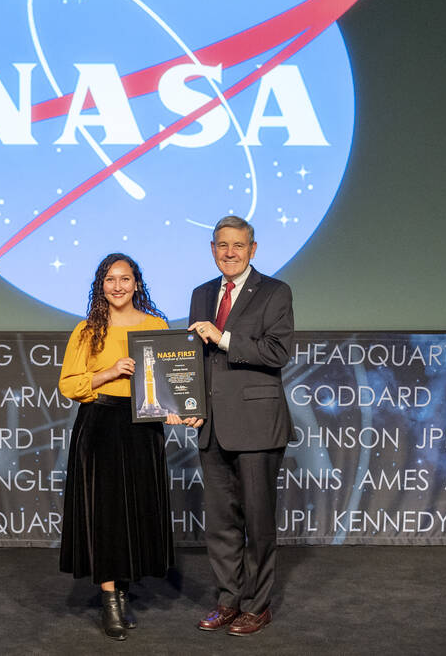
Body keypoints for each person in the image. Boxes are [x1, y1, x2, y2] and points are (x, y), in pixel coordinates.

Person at [59, 252, 180, 641]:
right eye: (110, 279)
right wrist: (109, 372)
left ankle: (124, 589)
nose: (118, 286)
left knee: (137, 508)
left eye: (125, 279)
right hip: (101, 425)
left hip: (143, 428)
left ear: (137, 283)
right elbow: (69, 385)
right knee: (106, 514)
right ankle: (110, 601)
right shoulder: (87, 329)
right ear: (101, 285)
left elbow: (168, 380)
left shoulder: (156, 325)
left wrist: (177, 408)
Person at [186, 215, 294, 637]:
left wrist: (224, 336)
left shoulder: (275, 292)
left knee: (258, 521)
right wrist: (188, 403)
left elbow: (278, 351)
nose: (229, 252)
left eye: (238, 245)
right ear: (213, 249)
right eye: (222, 245)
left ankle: (257, 605)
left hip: (257, 426)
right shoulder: (201, 293)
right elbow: (195, 359)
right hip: (211, 426)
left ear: (253, 249)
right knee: (220, 523)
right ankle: (228, 600)